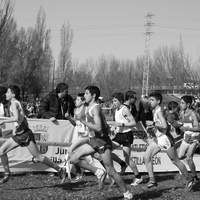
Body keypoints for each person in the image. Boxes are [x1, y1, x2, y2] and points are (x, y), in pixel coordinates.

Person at [69, 86, 133, 200]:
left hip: (102, 141)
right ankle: (98, 172)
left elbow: (98, 127)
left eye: (87, 93)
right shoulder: (87, 107)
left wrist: (83, 121)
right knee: (74, 158)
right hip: (93, 140)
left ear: (93, 95)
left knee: (111, 171)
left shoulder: (95, 108)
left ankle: (127, 194)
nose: (84, 95)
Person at [0, 85, 66, 184]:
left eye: (8, 92)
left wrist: (3, 121)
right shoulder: (15, 103)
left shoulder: (14, 104)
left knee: (39, 157)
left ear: (13, 94)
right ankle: (7, 174)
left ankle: (60, 170)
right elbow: (23, 118)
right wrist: (16, 127)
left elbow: (16, 118)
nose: (6, 94)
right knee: (2, 150)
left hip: (25, 135)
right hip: (20, 134)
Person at [143, 91, 194, 191]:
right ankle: (152, 181)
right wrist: (152, 128)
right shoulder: (156, 110)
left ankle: (189, 179)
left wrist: (153, 123)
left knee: (175, 161)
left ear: (158, 101)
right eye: (149, 100)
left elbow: (164, 126)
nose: (150, 102)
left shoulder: (159, 112)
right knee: (146, 157)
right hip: (159, 139)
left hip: (166, 140)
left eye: (152, 100)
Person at [110, 92, 143, 186]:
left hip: (126, 135)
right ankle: (122, 164)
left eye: (115, 101)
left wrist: (121, 125)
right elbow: (118, 122)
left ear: (121, 101)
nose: (114, 102)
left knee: (127, 158)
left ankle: (138, 177)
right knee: (107, 150)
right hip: (119, 135)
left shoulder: (125, 110)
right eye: (113, 101)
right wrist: (114, 127)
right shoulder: (116, 109)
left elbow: (133, 122)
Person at [178, 95, 200, 181]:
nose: (180, 104)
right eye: (180, 102)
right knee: (179, 156)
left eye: (182, 103)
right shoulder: (182, 113)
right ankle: (192, 170)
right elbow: (182, 125)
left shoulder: (193, 113)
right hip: (186, 138)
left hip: (194, 139)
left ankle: (194, 176)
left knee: (189, 158)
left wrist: (188, 128)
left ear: (188, 104)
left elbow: (198, 128)